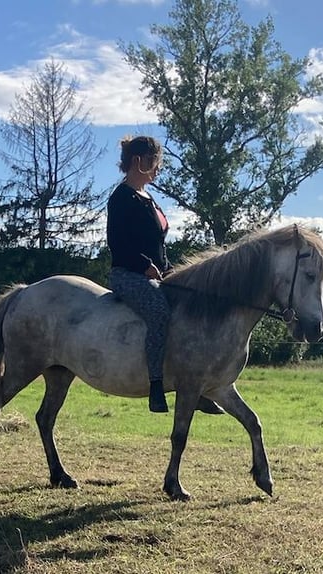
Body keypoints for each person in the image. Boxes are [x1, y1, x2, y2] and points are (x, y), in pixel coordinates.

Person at [107, 135, 223, 415]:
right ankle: (156, 384)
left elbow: (158, 245)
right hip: (127, 274)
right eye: (154, 163)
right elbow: (118, 244)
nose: (158, 169)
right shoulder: (121, 197)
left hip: (155, 275)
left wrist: (170, 270)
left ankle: (196, 385)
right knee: (159, 311)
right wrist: (144, 266)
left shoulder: (149, 198)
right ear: (138, 162)